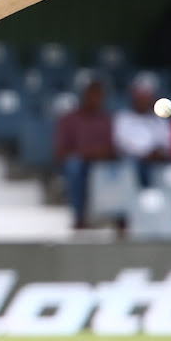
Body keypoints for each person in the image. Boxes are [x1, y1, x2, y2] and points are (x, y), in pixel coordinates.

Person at [54, 79, 116, 229]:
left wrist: (104, 153)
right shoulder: (69, 119)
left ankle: (120, 218)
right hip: (80, 163)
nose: (95, 99)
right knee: (74, 166)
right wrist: (87, 153)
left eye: (98, 95)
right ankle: (79, 217)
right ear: (84, 96)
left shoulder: (107, 120)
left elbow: (116, 148)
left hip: (103, 163)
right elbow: (60, 151)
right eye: (91, 95)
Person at [112, 74, 171, 187]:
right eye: (141, 95)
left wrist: (157, 152)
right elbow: (121, 144)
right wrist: (144, 153)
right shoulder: (122, 118)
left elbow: (168, 144)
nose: (144, 99)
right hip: (131, 164)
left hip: (156, 164)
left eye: (148, 95)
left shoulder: (160, 121)